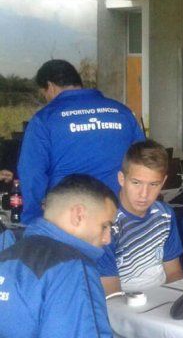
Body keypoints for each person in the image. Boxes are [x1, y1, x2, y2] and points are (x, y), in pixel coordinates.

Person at [0, 174, 183, 338]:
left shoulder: (9, 255)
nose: (107, 239)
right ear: (79, 215)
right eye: (105, 226)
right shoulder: (72, 268)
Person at [17, 59, 145, 223]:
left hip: (71, 220)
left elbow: (32, 175)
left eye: (44, 93)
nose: (47, 98)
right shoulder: (122, 112)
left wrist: (32, 219)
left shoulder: (45, 119)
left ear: (50, 86)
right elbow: (144, 161)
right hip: (120, 216)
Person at [97, 141, 183, 295]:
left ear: (163, 182)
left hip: (163, 298)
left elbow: (173, 272)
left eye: (153, 184)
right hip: (124, 303)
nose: (144, 194)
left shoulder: (165, 214)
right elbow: (110, 292)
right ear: (121, 179)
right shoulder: (105, 224)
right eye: (136, 183)